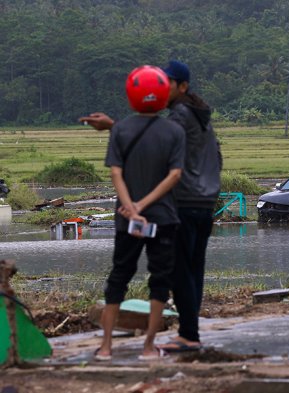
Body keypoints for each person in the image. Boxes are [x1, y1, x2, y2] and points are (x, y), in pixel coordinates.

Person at [81, 60, 222, 352]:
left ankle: (189, 335)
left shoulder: (180, 116)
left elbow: (153, 139)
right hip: (206, 199)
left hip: (183, 201)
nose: (160, 85)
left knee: (180, 272)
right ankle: (190, 331)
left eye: (166, 81)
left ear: (182, 87)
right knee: (194, 269)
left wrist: (113, 127)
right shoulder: (198, 113)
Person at [94, 65, 186, 361]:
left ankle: (106, 347)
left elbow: (115, 173)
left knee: (119, 275)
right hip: (163, 218)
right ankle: (148, 347)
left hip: (127, 218)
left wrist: (132, 208)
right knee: (159, 279)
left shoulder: (120, 129)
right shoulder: (174, 130)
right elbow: (174, 176)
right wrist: (144, 206)